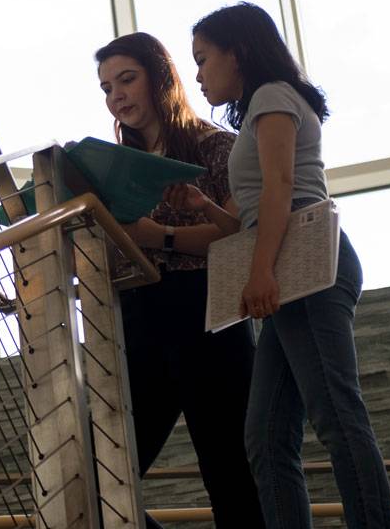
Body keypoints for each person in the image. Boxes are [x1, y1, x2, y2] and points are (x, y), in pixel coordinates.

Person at [166, 2, 390, 528]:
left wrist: (261, 271)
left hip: (304, 259)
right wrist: (203, 208)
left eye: (203, 59)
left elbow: (282, 189)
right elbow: (251, 216)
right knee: (266, 437)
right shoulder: (258, 110)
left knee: (337, 417)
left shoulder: (272, 96)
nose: (197, 75)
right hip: (288, 256)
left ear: (238, 52)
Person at [95, 32, 265, 528]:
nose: (116, 95)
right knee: (97, 472)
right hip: (137, 319)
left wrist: (157, 234)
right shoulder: (111, 169)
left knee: (232, 476)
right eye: (106, 88)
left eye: (127, 79)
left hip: (210, 314)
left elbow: (239, 237)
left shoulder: (220, 147)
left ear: (160, 77)